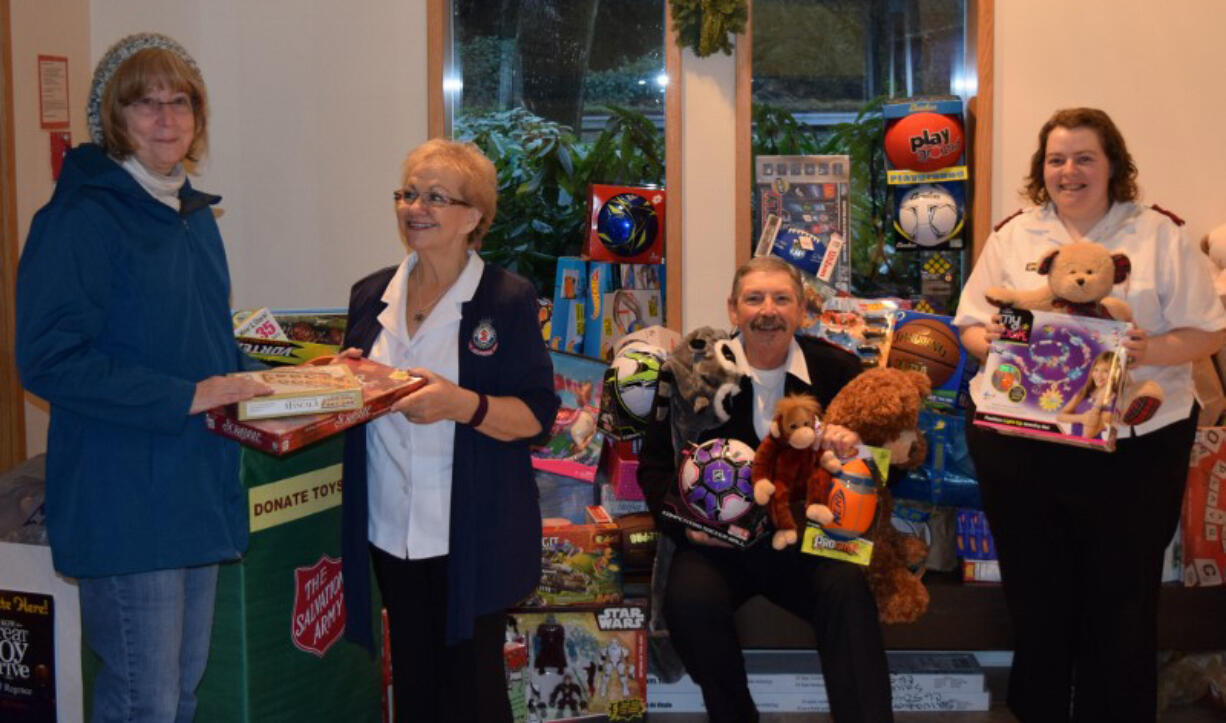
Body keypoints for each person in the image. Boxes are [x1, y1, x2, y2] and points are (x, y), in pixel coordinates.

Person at [15, 33, 270, 722]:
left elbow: (204, 341)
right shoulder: (78, 218)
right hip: (125, 495)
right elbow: (46, 358)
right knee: (144, 699)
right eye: (145, 104)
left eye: (180, 102)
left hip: (193, 484)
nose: (167, 118)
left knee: (180, 692)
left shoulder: (189, 213)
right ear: (114, 121)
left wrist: (280, 386)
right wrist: (189, 396)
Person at [954, 107, 1226, 722]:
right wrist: (995, 340)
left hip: (1135, 443)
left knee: (1123, 594)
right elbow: (971, 324)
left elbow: (1207, 332)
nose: (1068, 171)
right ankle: (1040, 707)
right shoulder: (1014, 235)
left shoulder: (1157, 234)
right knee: (1035, 586)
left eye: (1084, 158)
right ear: (1040, 168)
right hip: (1026, 441)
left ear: (1112, 166)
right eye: (1056, 159)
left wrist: (1146, 349)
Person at [339, 138, 558, 723]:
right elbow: (355, 392)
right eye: (408, 193)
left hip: (471, 531)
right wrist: (340, 382)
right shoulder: (370, 294)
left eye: (436, 196)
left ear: (474, 216)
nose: (416, 207)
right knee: (413, 683)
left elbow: (537, 418)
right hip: (390, 526)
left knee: (472, 692)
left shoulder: (507, 300)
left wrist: (459, 403)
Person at [637, 256, 894, 723]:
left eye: (782, 299)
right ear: (733, 310)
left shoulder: (839, 370)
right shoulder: (690, 371)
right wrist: (686, 530)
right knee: (690, 601)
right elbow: (653, 468)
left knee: (848, 591)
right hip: (717, 543)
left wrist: (860, 445)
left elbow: (889, 454)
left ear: (801, 311)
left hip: (806, 538)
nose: (768, 310)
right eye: (754, 299)